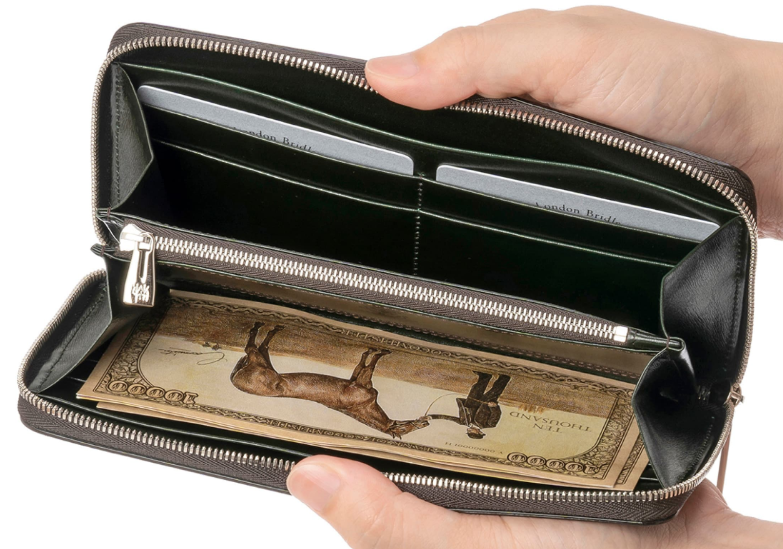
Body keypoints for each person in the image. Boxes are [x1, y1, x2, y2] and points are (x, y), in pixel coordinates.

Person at [286, 7, 783, 548]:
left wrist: (750, 112)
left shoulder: (474, 415)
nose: (475, 425)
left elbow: (480, 401)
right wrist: (748, 113)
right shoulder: (478, 415)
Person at [428, 371, 512, 439]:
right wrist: (494, 407)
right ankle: (504, 378)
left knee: (476, 389)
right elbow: (496, 414)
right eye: (472, 432)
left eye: (468, 432)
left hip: (471, 403)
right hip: (486, 404)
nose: (469, 431)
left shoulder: (464, 422)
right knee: (494, 391)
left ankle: (485, 376)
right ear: (480, 432)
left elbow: (447, 418)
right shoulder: (490, 425)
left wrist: (431, 417)